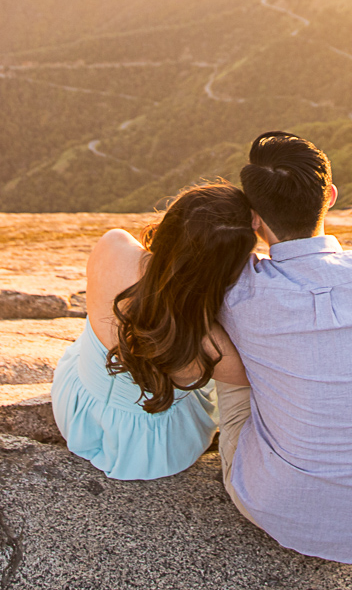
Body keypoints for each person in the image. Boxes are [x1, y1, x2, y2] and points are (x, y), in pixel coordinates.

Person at [216, 131, 352, 564]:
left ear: (254, 218)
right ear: (329, 196)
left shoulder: (237, 293)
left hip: (268, 504)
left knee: (235, 361)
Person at [52, 179, 255, 480]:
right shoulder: (208, 342)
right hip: (151, 450)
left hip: (76, 410)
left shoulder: (113, 245)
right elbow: (257, 380)